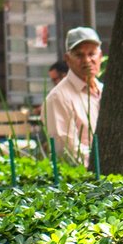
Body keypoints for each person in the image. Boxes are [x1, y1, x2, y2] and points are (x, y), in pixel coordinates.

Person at [44, 27, 104, 166]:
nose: (87, 60)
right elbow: (66, 150)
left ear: (100, 56)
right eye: (79, 55)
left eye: (91, 53)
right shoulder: (58, 98)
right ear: (67, 59)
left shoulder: (103, 90)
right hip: (85, 180)